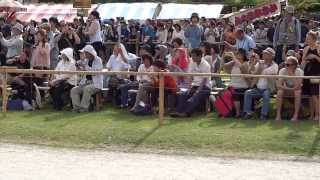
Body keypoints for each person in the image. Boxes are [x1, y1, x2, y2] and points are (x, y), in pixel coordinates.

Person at [171, 48, 211, 117]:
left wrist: (197, 91)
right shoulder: (192, 63)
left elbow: (204, 81)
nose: (192, 58)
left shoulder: (206, 65)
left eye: (194, 56)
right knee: (183, 94)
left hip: (205, 87)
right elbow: (190, 77)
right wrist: (189, 88)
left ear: (200, 56)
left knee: (196, 96)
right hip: (195, 85)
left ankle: (186, 113)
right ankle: (178, 111)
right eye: (191, 56)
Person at [243, 47, 279, 120]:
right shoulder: (260, 63)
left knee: (266, 94)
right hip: (258, 89)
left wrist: (258, 62)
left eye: (266, 54)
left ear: (271, 56)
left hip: (269, 89)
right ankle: (248, 112)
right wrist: (253, 64)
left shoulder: (275, 65)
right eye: (264, 53)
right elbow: (252, 72)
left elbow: (263, 72)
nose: (264, 55)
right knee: (248, 93)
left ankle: (263, 115)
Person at [70, 45, 103, 112]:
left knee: (87, 89)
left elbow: (96, 72)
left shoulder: (98, 60)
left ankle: (84, 108)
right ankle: (77, 108)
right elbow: (82, 70)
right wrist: (79, 67)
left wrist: (85, 68)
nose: (85, 54)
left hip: (96, 84)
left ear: (89, 53)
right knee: (74, 90)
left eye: (85, 53)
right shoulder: (86, 61)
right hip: (86, 82)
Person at [223, 49, 250, 117]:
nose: (237, 55)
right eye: (237, 54)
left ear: (243, 55)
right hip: (232, 85)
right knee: (224, 93)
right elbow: (224, 66)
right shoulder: (233, 63)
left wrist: (233, 57)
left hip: (242, 86)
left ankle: (238, 113)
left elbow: (241, 67)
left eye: (239, 54)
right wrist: (223, 57)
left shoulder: (245, 63)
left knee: (235, 93)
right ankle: (225, 111)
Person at [275, 56, 303, 121]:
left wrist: (291, 74)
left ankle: (295, 115)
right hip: (287, 89)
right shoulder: (282, 70)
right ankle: (278, 115)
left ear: (294, 65)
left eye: (288, 65)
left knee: (297, 92)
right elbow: (278, 85)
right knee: (280, 92)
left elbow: (298, 86)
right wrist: (289, 89)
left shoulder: (299, 71)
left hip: (295, 90)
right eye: (286, 64)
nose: (286, 66)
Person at [301, 31, 320, 121]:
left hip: (316, 73)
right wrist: (306, 59)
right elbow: (303, 60)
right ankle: (312, 115)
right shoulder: (306, 48)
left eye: (308, 38)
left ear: (313, 39)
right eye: (306, 38)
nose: (307, 40)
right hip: (307, 73)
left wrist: (315, 57)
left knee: (315, 95)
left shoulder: (318, 47)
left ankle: (318, 115)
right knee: (309, 95)